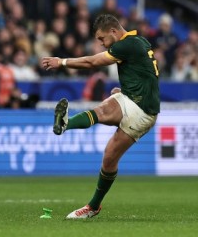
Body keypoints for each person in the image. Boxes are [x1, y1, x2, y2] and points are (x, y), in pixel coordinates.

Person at [41, 14, 160, 219]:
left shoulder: (126, 45)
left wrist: (61, 62)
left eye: (102, 39)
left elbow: (92, 62)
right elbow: (145, 73)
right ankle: (94, 207)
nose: (102, 44)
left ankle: (66, 123)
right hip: (132, 98)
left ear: (113, 31)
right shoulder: (138, 41)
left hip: (143, 111)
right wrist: (127, 89)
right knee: (108, 158)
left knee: (105, 123)